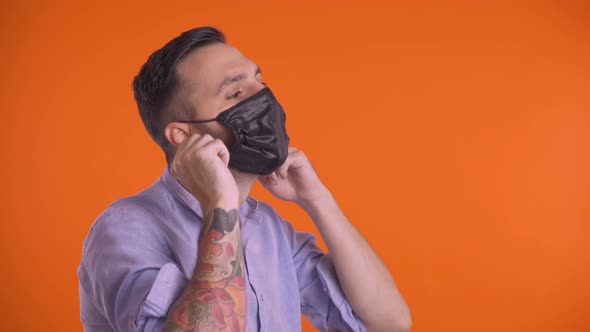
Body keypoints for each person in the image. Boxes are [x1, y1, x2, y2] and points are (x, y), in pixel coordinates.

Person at [78, 26, 411, 332]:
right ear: (183, 135)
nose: (264, 95)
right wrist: (220, 203)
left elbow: (389, 322)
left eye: (259, 80)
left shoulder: (269, 230)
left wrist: (318, 200)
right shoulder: (124, 229)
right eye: (236, 93)